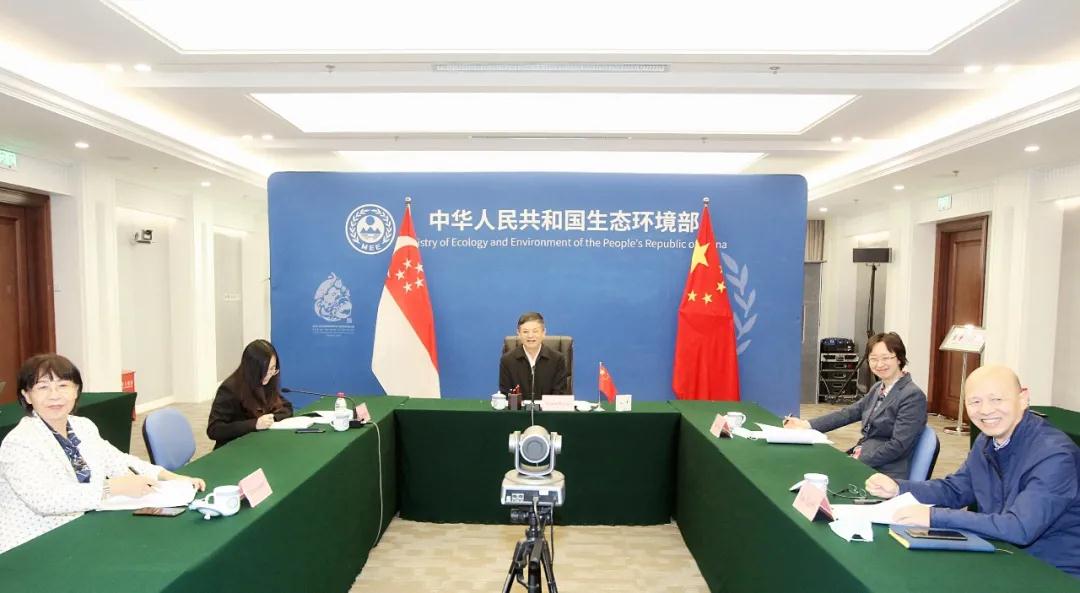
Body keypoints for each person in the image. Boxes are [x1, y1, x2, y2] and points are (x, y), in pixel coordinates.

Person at [867, 365, 1080, 577]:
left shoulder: (1054, 456)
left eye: (997, 399)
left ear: (1023, 398)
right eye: (975, 402)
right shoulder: (987, 440)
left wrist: (933, 517)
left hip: (1053, 572)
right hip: (1002, 552)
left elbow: (1019, 528)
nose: (985, 410)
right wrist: (899, 488)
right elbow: (957, 489)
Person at [0, 354, 205, 554]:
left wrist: (169, 476)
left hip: (80, 531)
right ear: (27, 395)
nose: (54, 395)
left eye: (63, 385)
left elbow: (118, 460)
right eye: (43, 387)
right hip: (32, 545)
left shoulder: (82, 426)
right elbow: (46, 500)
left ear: (76, 390)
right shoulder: (20, 442)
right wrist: (111, 488)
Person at [784, 332, 927, 480]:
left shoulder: (912, 396)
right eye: (873, 359)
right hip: (864, 456)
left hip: (884, 472)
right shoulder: (878, 387)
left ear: (899, 358)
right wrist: (806, 425)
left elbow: (898, 446)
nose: (879, 364)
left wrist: (856, 462)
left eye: (885, 358)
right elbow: (849, 413)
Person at [207, 339, 294, 449]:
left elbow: (286, 407)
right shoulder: (230, 389)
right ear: (254, 369)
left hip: (258, 443)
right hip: (233, 447)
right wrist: (254, 424)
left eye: (273, 369)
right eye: (266, 370)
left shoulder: (267, 381)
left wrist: (272, 418)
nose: (270, 374)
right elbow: (214, 430)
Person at [499, 312, 569, 398]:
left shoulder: (557, 359)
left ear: (543, 332)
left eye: (535, 331)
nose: (530, 336)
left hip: (548, 407)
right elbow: (505, 396)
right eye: (525, 332)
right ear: (518, 333)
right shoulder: (507, 360)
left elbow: (559, 395)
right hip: (518, 407)